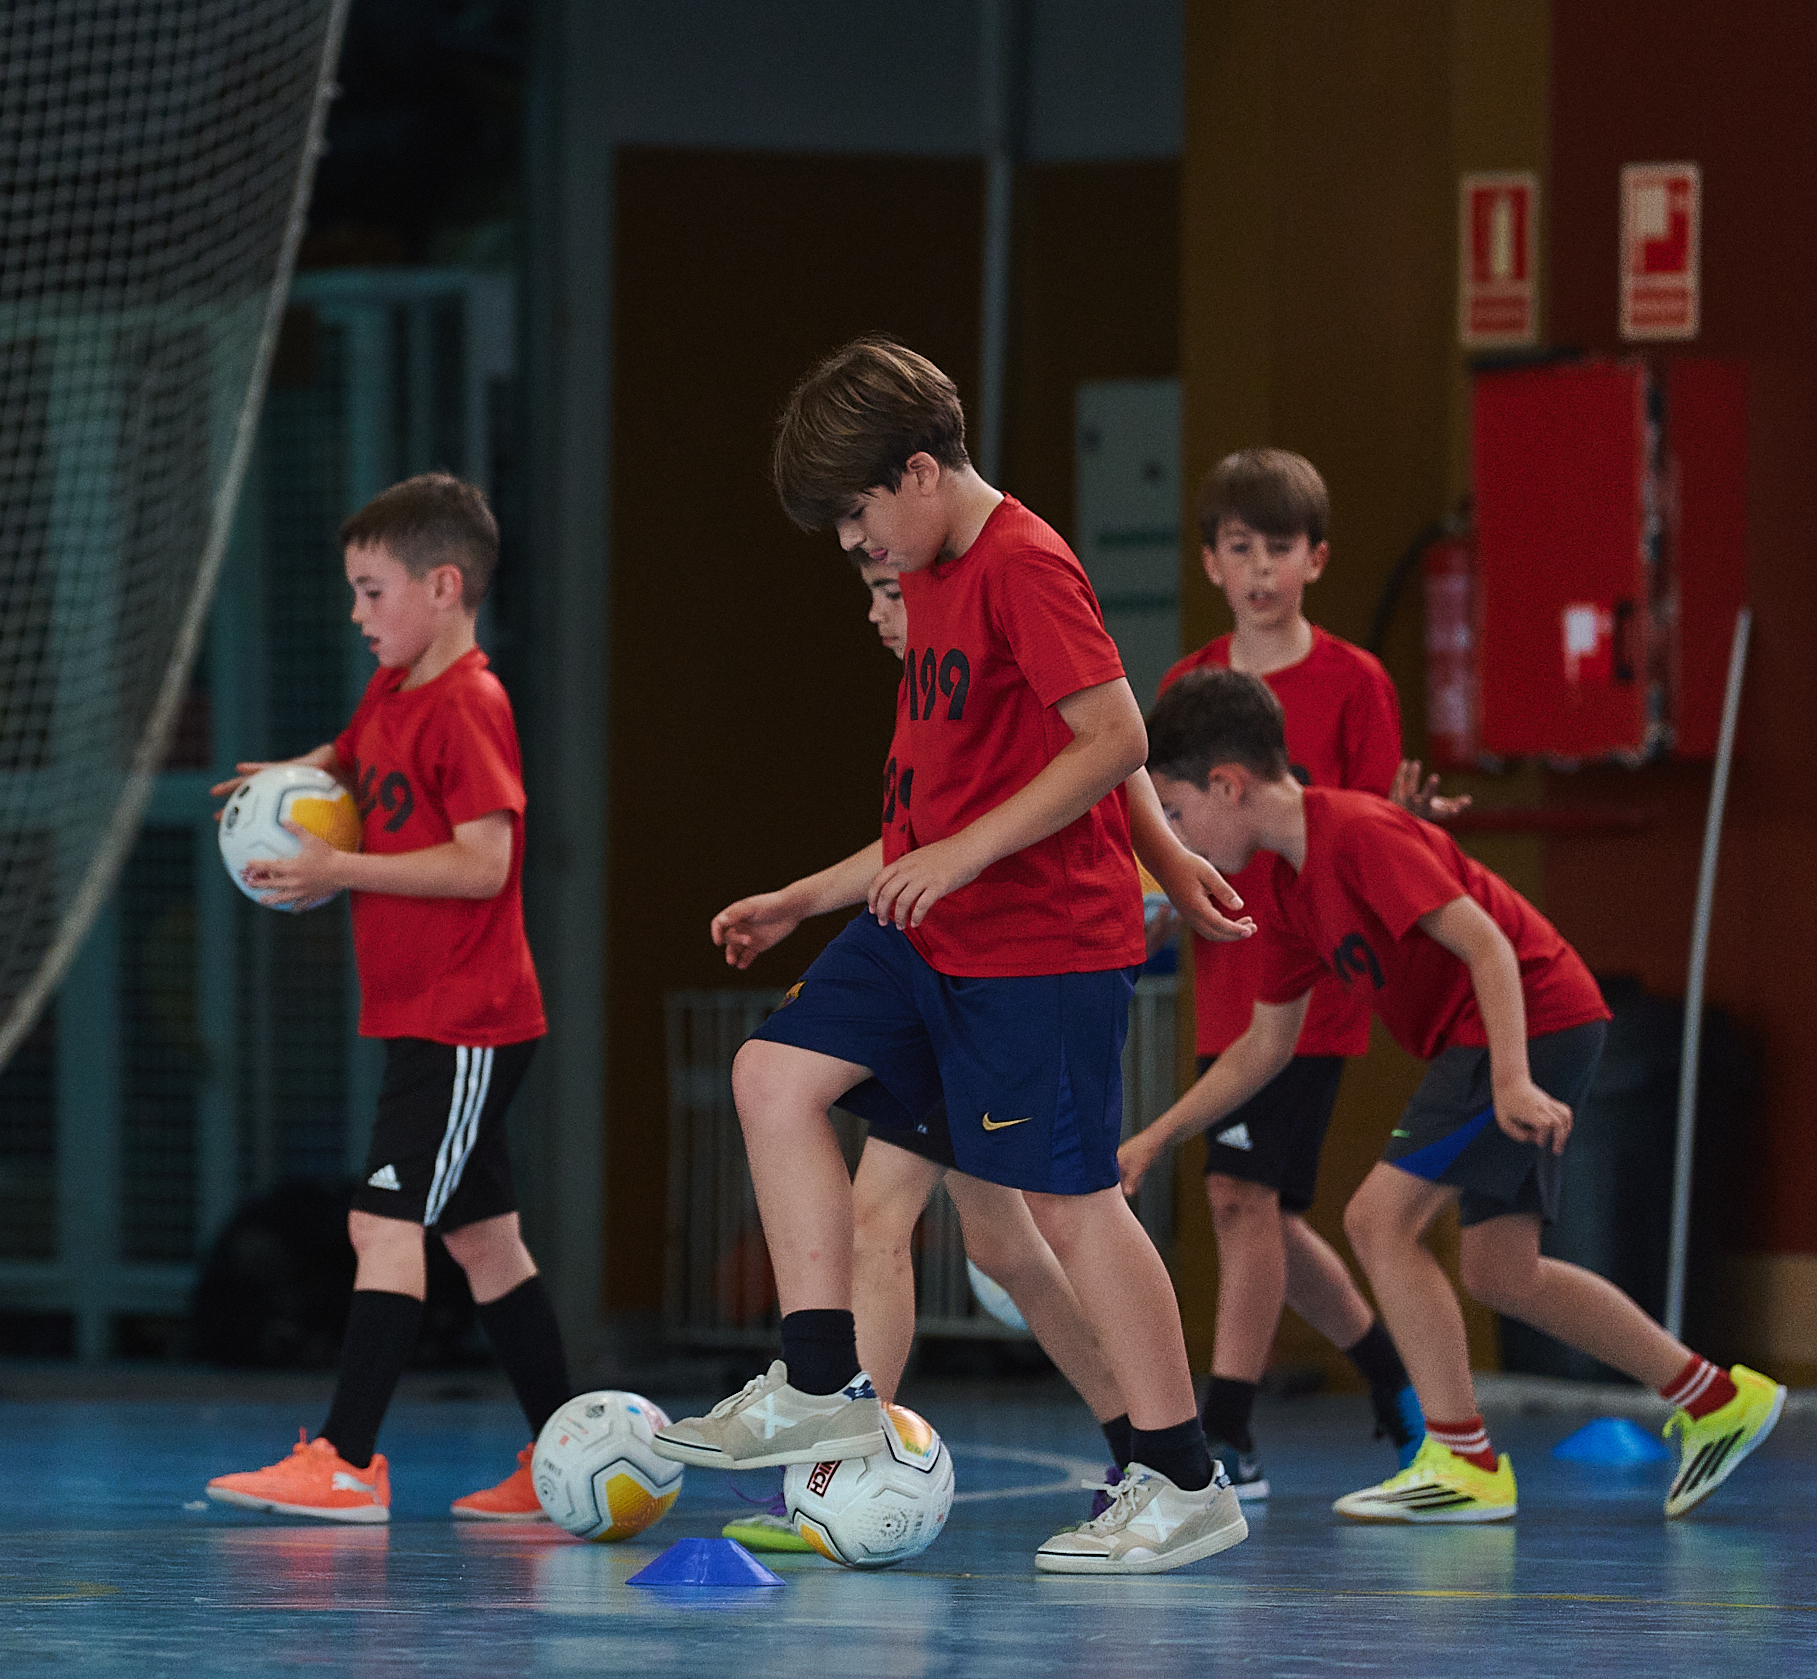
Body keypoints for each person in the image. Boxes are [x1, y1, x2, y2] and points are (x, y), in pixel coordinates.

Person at [654, 335, 1252, 1576]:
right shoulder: (923, 569)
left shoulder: (1024, 561)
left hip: (1037, 941)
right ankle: (821, 1378)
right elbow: (974, 777)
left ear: (920, 471)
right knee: (773, 1075)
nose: (853, 544)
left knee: (1067, 1208)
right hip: (928, 931)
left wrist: (1078, 854)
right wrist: (808, 896)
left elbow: (1115, 734)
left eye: (858, 515)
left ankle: (1186, 1478)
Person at [1125, 668, 1787, 1523]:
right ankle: (1718, 1400)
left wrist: (1510, 1078)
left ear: (1228, 784)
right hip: (1518, 1031)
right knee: (1502, 1272)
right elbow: (1265, 1046)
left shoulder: (1357, 832)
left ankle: (1465, 1462)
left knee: (1378, 1219)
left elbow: (1488, 947)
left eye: (1174, 813)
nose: (1173, 838)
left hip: (1527, 1020)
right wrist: (1157, 1138)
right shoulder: (1282, 890)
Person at [708, 546, 1136, 1554]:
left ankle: (841, 1464)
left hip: (994, 972)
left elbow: (1117, 761)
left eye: (887, 593)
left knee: (901, 1217)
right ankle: (1142, 1447)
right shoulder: (929, 697)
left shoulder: (1002, 651)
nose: (877, 614)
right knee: (997, 1242)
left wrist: (1164, 864)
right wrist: (802, 898)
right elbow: (911, 845)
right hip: (939, 967)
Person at [202, 473, 575, 1525]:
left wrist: (337, 869)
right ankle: (561, 1462)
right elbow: (355, 753)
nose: (358, 614)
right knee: (484, 1241)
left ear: (444, 586)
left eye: (373, 593)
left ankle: (348, 1459)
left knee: (382, 1222)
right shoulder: (395, 689)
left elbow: (483, 863)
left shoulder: (471, 703)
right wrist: (295, 773)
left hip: (467, 1020)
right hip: (425, 1017)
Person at [1158, 450, 1445, 1491]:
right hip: (1224, 984)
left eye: (1280, 548)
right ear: (1211, 562)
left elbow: (1366, 833)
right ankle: (1392, 1380)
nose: (1261, 568)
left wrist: (1409, 827)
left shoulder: (1357, 683)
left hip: (1308, 990)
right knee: (1265, 1213)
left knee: (1239, 1196)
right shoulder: (1185, 688)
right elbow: (1163, 831)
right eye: (1241, 548)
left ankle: (1226, 1435)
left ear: (1316, 559)